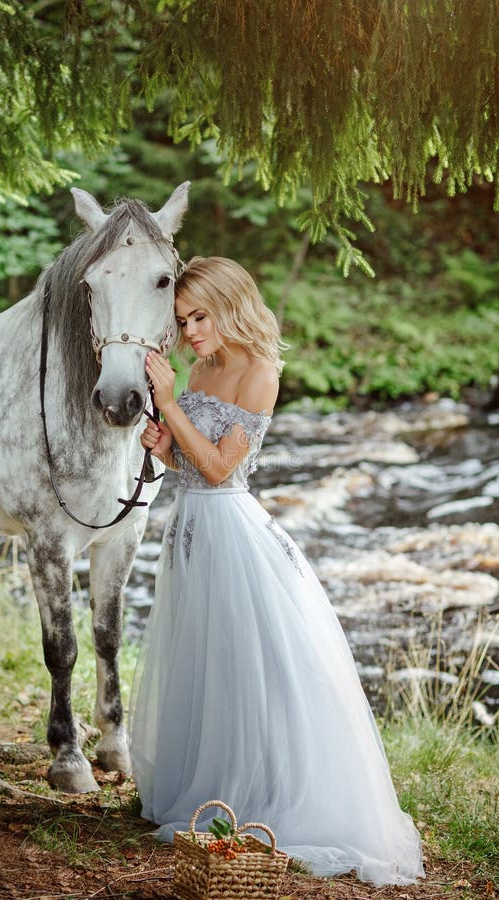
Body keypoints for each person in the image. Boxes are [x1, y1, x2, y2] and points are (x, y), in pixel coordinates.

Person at [128, 256, 424, 887]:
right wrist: (164, 447)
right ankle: (210, 790)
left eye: (200, 317)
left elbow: (221, 471)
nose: (191, 334)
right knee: (205, 661)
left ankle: (269, 797)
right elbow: (189, 466)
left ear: (231, 305)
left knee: (252, 666)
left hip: (233, 534)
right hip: (190, 534)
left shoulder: (260, 371)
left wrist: (170, 406)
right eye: (183, 322)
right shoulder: (202, 367)